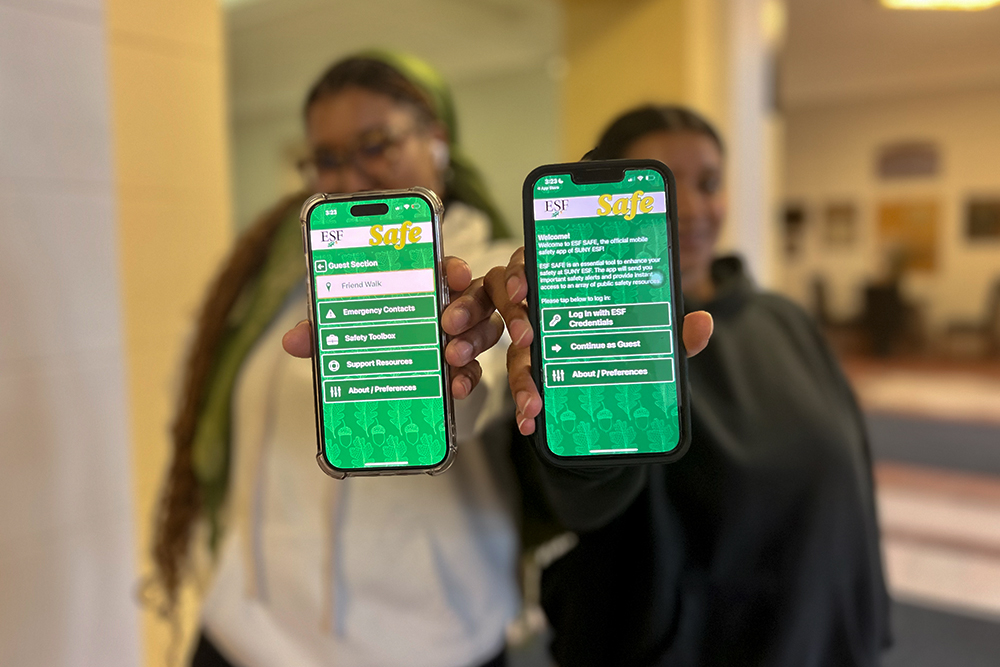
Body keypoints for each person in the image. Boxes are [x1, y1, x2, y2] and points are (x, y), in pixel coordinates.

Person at [478, 105, 892, 666]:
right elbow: (586, 491)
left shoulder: (783, 319)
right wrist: (587, 379)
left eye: (710, 183)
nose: (694, 208)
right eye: (668, 186)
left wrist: (868, 616)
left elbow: (853, 485)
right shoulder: (593, 337)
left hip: (826, 636)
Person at [153, 52, 524, 667]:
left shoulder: (482, 276)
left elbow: (481, 394)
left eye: (376, 144)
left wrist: (451, 371)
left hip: (425, 645)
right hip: (245, 631)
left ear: (437, 141)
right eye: (326, 158)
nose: (351, 175)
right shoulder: (275, 284)